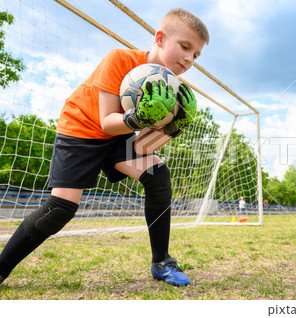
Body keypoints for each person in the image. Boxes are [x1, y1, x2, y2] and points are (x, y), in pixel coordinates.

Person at [0, 8, 209, 287]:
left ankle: (162, 262)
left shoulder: (172, 89)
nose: (189, 58)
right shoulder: (119, 59)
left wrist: (174, 127)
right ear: (159, 38)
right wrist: (139, 118)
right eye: (185, 47)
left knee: (158, 176)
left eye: (195, 55)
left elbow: (143, 146)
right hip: (80, 130)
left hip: (116, 138)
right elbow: (108, 122)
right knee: (60, 209)